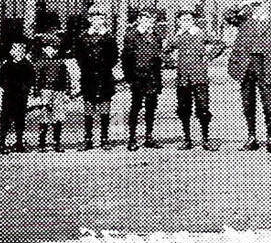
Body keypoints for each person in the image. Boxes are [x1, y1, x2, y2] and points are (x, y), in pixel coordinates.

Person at [226, 0, 271, 152]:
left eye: (260, 5)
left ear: (265, 7)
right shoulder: (242, 21)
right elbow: (227, 15)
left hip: (264, 66)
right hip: (245, 67)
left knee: (269, 105)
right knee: (248, 103)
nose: (257, 8)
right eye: (254, 6)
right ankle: (251, 138)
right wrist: (242, 3)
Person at [165, 8, 221, 151]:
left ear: (193, 21)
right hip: (183, 78)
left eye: (189, 20)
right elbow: (164, 52)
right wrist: (172, 63)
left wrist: (208, 57)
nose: (186, 23)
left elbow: (219, 44)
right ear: (179, 22)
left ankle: (206, 139)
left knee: (203, 108)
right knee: (184, 108)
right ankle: (187, 139)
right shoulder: (176, 36)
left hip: (199, 78)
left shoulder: (201, 34)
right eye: (183, 20)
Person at [72, 8, 118, 150]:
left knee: (105, 108)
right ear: (90, 20)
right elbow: (78, 56)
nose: (97, 21)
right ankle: (88, 139)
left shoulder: (109, 38)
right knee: (88, 108)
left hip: (105, 77)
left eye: (100, 18)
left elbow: (114, 57)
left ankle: (104, 138)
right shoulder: (83, 37)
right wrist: (87, 69)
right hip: (88, 77)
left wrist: (104, 68)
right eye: (94, 18)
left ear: (104, 20)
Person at [123, 11, 164, 150]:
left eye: (151, 19)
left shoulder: (156, 37)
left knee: (151, 108)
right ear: (139, 20)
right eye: (145, 19)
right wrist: (129, 77)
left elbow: (159, 56)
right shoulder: (131, 35)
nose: (148, 22)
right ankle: (132, 138)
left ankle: (148, 137)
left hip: (152, 77)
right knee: (135, 107)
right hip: (137, 77)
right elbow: (126, 58)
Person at [32, 30, 72, 152]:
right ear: (43, 49)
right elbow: (37, 78)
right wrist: (36, 92)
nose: (51, 50)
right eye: (47, 48)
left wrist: (68, 91)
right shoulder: (40, 62)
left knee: (58, 117)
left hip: (58, 92)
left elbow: (66, 77)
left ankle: (57, 142)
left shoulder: (61, 62)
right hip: (45, 91)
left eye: (54, 48)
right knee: (44, 116)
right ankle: (42, 142)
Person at [0, 37, 35, 153]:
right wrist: (5, 87)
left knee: (20, 119)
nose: (17, 52)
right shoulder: (6, 65)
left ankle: (19, 142)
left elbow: (32, 79)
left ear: (24, 52)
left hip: (22, 96)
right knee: (5, 119)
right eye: (15, 49)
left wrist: (27, 88)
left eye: (20, 49)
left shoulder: (27, 65)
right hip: (8, 95)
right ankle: (2, 143)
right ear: (11, 51)